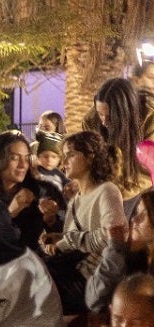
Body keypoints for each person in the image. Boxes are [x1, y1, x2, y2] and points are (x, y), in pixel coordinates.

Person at [42, 130, 125, 314]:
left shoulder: (107, 191)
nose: (64, 162)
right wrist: (58, 238)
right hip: (71, 272)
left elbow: (112, 237)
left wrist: (68, 241)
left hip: (89, 280)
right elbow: (73, 241)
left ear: (90, 156)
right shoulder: (75, 201)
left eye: (71, 154)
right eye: (64, 156)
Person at [0, 131, 64, 252]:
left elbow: (63, 237)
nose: (22, 165)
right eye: (14, 158)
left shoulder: (43, 191)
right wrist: (9, 213)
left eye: (26, 158)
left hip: (33, 263)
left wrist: (51, 220)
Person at [84, 77, 154, 200]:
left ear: (125, 112)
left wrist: (117, 195)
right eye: (100, 114)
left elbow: (147, 172)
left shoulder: (149, 121)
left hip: (139, 190)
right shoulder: (91, 121)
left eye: (110, 116)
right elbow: (88, 161)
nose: (104, 122)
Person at [86, 190, 154, 313]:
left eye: (144, 215)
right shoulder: (136, 254)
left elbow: (94, 300)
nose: (134, 219)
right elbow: (94, 299)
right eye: (137, 212)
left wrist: (115, 247)